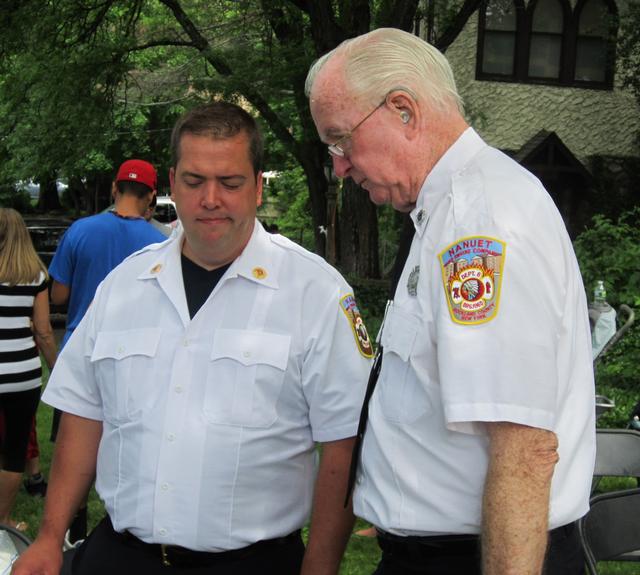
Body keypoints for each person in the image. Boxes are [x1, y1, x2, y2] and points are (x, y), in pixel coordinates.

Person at [12, 101, 372, 575]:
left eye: (230, 182)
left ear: (258, 187)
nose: (211, 199)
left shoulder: (315, 294)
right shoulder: (124, 286)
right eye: (195, 180)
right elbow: (84, 412)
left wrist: (319, 569)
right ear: (172, 182)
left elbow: (343, 443)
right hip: (120, 558)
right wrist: (49, 536)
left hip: (251, 565)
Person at [306, 28, 595, 575]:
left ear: (403, 110)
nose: (340, 165)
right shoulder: (448, 211)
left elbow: (524, 448)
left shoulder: (479, 221)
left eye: (341, 139)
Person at [47, 158, 167, 544]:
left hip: (81, 355)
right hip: (140, 362)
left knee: (73, 451)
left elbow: (59, 294)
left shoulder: (81, 230)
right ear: (151, 197)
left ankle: (72, 532)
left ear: (114, 189)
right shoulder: (162, 243)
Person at [0, 208, 57, 532]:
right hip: (22, 375)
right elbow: (44, 331)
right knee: (15, 449)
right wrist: (56, 367)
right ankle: (4, 519)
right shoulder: (36, 275)